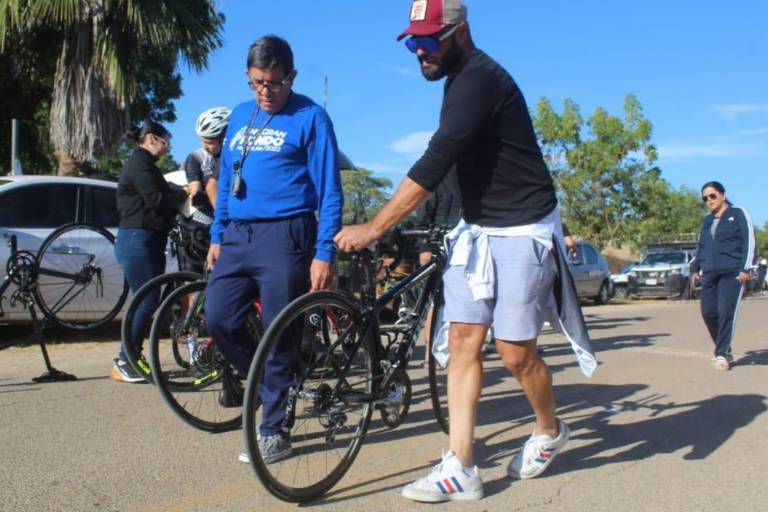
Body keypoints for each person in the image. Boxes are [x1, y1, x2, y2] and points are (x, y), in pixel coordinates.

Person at [335, 0, 593, 502]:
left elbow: (436, 162)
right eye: (413, 43)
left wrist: (374, 226)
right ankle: (462, 466)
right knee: (462, 342)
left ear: (462, 32)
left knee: (517, 354)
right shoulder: (456, 82)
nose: (420, 53)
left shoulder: (480, 79)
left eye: (430, 41)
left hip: (523, 228)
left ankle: (549, 428)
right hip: (476, 230)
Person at [204, 35, 343, 464]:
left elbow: (329, 190)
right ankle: (270, 386)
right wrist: (216, 233)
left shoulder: (311, 118)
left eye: (275, 83)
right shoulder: (242, 115)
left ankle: (274, 429)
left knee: (280, 332)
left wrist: (325, 251)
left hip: (287, 234)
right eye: (257, 82)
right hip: (237, 237)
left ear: (291, 77)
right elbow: (227, 180)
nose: (266, 91)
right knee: (219, 318)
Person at [114, 121, 189, 382]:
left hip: (148, 238)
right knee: (146, 301)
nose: (168, 147)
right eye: (165, 140)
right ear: (151, 139)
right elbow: (156, 200)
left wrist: (176, 192)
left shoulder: (147, 165)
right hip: (138, 238)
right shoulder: (140, 164)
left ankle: (130, 356)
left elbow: (162, 191)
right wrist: (184, 194)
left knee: (145, 300)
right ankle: (126, 358)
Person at [692, 181, 754, 371]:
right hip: (709, 273)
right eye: (705, 198)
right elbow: (701, 246)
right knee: (708, 312)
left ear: (723, 195)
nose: (709, 200)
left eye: (712, 196)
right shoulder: (707, 220)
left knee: (726, 312)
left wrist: (746, 268)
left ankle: (721, 354)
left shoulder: (738, 214)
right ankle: (725, 348)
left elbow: (749, 241)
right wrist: (695, 268)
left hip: (732, 273)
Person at [177, 107, 231, 273]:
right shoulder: (196, 157)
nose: (205, 146)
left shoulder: (233, 155)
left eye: (209, 142)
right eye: (202, 140)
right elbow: (196, 193)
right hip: (201, 220)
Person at [416, 166, 461, 363]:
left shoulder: (473, 176)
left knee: (458, 303)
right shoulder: (437, 178)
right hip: (437, 245)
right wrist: (425, 247)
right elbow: (423, 217)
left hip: (466, 246)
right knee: (434, 302)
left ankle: (453, 351)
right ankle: (429, 351)